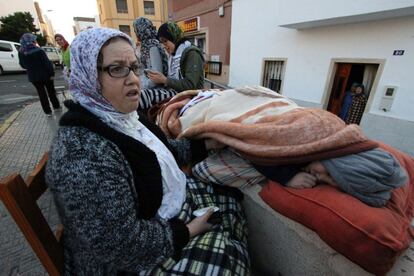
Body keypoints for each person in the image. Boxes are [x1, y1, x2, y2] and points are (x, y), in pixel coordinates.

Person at [45, 28, 249, 274]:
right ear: (89, 75)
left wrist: (205, 143)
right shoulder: (81, 155)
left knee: (229, 201)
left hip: (157, 222)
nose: (133, 79)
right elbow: (122, 246)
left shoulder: (123, 117)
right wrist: (189, 230)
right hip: (127, 264)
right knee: (225, 261)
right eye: (117, 68)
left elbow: (158, 155)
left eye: (134, 67)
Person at [254, 148, 408, 207]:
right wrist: (287, 177)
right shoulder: (313, 144)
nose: (319, 178)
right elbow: (255, 150)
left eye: (329, 181)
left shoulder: (319, 161)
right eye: (328, 173)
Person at [133, 17, 177, 112]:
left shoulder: (152, 46)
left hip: (156, 89)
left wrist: (140, 86)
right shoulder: (144, 46)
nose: (136, 33)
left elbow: (157, 74)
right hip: (147, 86)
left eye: (136, 30)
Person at [147, 22, 204, 92]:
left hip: (193, 98)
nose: (164, 46)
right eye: (161, 43)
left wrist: (164, 80)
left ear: (173, 37)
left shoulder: (192, 53)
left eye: (165, 41)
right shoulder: (173, 55)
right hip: (179, 94)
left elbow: (190, 85)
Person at [18, 33, 60, 116]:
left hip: (33, 77)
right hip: (46, 75)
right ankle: (56, 107)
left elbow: (22, 65)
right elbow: (47, 63)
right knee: (51, 91)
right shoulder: (39, 50)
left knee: (41, 94)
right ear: (32, 41)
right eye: (34, 40)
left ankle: (48, 112)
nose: (35, 41)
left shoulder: (21, 52)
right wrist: (51, 73)